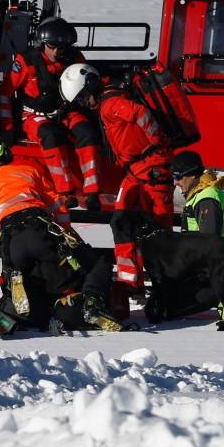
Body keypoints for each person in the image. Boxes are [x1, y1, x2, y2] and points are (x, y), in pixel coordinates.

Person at [0, 134, 121, 334]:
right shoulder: (29, 172)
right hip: (41, 231)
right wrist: (71, 239)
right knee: (98, 264)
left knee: (29, 293)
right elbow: (58, 207)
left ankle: (10, 306)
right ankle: (90, 300)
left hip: (11, 246)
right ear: (5, 152)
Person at [60, 63, 174, 291]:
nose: (85, 104)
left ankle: (165, 282)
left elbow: (140, 113)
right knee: (120, 221)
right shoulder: (107, 101)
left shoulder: (110, 104)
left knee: (159, 228)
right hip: (135, 170)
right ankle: (130, 280)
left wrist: (156, 141)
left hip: (151, 168)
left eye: (83, 98)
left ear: (91, 86)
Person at [0, 17, 103, 208]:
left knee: (87, 132)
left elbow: (89, 81)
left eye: (61, 48)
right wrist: (8, 127)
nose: (56, 52)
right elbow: (5, 94)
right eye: (52, 46)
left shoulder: (74, 59)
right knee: (50, 136)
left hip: (66, 111)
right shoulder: (26, 62)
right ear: (42, 43)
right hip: (33, 114)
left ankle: (92, 191)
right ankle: (65, 191)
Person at [171, 149, 224, 239]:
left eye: (178, 177)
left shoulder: (207, 199)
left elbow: (209, 242)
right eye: (173, 177)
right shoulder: (198, 194)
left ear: (192, 175)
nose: (175, 183)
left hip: (209, 253)